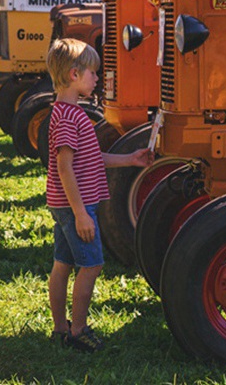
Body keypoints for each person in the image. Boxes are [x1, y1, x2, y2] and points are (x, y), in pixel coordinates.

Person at [45, 38, 152, 352]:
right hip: (74, 206)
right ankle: (77, 331)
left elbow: (90, 157)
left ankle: (59, 327)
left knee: (62, 262)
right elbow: (66, 168)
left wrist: (129, 159)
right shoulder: (69, 117)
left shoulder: (68, 112)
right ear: (75, 74)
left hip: (65, 204)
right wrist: (80, 214)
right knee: (91, 265)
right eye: (93, 73)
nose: (97, 79)